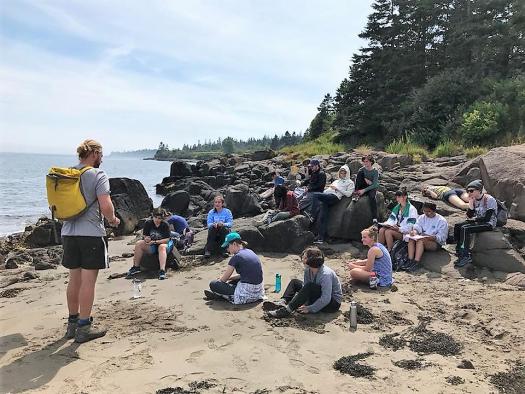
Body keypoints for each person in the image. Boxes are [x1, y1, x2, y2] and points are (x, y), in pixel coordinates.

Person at [61, 139, 120, 343]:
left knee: (73, 280)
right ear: (94, 153)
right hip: (91, 234)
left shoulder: (67, 173)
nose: (102, 158)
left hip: (68, 232)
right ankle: (84, 327)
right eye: (101, 154)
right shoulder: (98, 175)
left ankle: (71, 324)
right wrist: (113, 220)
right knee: (88, 282)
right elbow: (105, 205)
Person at [266, 247, 342, 318]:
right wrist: (304, 301)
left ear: (311, 260)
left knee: (310, 286)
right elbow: (305, 288)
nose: (302, 259)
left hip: (332, 304)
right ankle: (283, 301)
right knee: (295, 282)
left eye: (305, 257)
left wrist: (310, 308)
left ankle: (287, 310)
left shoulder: (326, 274)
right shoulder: (308, 270)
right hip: (318, 295)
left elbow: (326, 298)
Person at [204, 232, 265, 304]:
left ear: (234, 244)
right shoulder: (250, 251)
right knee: (233, 280)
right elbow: (245, 275)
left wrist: (220, 280)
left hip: (245, 294)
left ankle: (220, 295)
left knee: (213, 284)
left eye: (228, 246)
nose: (227, 249)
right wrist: (230, 278)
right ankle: (224, 292)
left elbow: (223, 279)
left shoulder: (236, 257)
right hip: (258, 291)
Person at [453, 179, 497, 267]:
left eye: (471, 191)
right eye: (468, 191)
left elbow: (487, 218)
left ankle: (465, 256)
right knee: (458, 226)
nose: (469, 193)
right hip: (478, 221)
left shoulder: (489, 199)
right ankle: (459, 250)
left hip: (489, 223)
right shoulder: (473, 199)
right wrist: (471, 204)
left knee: (465, 228)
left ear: (479, 190)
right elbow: (469, 215)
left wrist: (473, 220)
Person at [311, 165, 355, 244]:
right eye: (341, 172)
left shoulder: (350, 182)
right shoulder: (336, 181)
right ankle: (321, 238)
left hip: (334, 197)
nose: (342, 174)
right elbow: (327, 190)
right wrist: (327, 191)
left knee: (315, 195)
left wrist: (337, 189)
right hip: (327, 197)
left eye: (344, 173)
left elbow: (348, 194)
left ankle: (312, 215)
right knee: (322, 217)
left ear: (347, 173)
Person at [128, 208, 173, 280]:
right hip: (152, 244)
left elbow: (167, 240)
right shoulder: (148, 223)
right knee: (139, 243)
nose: (157, 220)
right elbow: (145, 235)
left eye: (159, 218)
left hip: (164, 244)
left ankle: (162, 271)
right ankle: (136, 267)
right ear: (153, 216)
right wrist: (146, 239)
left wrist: (155, 242)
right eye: (156, 218)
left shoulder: (165, 224)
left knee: (161, 247)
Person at [403, 202, 449, 272]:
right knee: (411, 239)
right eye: (425, 211)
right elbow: (418, 226)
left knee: (421, 241)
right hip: (422, 237)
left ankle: (416, 262)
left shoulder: (441, 221)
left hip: (435, 242)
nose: (427, 213)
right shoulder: (422, 217)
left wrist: (432, 237)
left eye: (429, 211)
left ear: (434, 211)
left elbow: (442, 237)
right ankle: (410, 260)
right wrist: (414, 231)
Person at [353, 155, 379, 222]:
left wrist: (364, 190)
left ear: (371, 162)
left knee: (372, 197)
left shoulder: (375, 171)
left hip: (371, 188)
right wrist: (365, 179)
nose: (365, 163)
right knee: (360, 173)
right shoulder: (361, 170)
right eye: (364, 162)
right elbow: (358, 180)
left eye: (367, 161)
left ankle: (374, 218)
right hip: (363, 185)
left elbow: (374, 184)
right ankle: (356, 193)